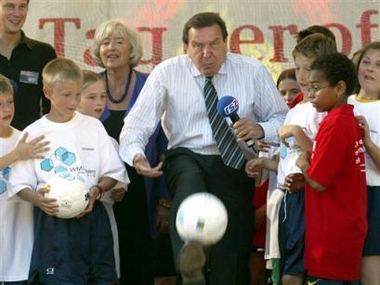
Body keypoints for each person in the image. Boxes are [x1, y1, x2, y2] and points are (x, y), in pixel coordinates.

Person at [119, 12, 288, 285]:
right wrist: (136, 155)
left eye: (214, 44)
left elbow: (283, 120)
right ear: (186, 47)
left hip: (235, 162)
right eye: (198, 46)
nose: (207, 53)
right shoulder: (167, 72)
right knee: (190, 186)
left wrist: (260, 129)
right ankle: (191, 259)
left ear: (226, 43)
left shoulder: (252, 71)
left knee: (231, 253)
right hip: (185, 155)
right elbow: (135, 126)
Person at [8, 58, 129, 285]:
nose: (74, 101)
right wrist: (38, 199)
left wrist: (97, 190)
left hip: (94, 219)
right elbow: (19, 184)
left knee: (102, 279)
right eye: (66, 95)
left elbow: (114, 173)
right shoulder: (34, 132)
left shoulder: (93, 127)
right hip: (54, 225)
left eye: (77, 94)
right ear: (48, 92)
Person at [246, 33, 337, 285]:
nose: (303, 76)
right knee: (285, 268)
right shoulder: (295, 110)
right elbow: (289, 161)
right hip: (288, 200)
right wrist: (266, 164)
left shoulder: (324, 111)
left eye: (309, 68)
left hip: (309, 199)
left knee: (296, 272)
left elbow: (322, 159)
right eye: (298, 68)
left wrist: (298, 134)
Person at [91, 19, 175, 285]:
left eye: (118, 42)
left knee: (141, 265)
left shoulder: (150, 84)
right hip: (101, 194)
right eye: (105, 43)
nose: (111, 48)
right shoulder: (87, 86)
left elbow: (165, 146)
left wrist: (164, 199)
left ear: (132, 50)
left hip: (144, 191)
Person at [287, 52, 367, 285]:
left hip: (331, 234)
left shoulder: (333, 124)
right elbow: (335, 174)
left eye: (316, 87)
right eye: (309, 88)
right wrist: (306, 178)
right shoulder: (347, 119)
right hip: (345, 227)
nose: (309, 94)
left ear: (340, 87)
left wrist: (302, 164)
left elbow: (319, 183)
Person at [77, 69, 130, 282]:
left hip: (102, 220)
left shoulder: (110, 141)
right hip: (66, 222)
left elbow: (120, 187)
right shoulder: (57, 136)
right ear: (74, 98)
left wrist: (117, 191)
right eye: (91, 97)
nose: (99, 103)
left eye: (102, 97)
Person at [0, 74, 50, 285]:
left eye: (9, 102)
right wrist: (15, 155)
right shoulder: (21, 148)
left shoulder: (24, 137)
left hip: (20, 241)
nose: (6, 109)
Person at [347, 41, 380, 285]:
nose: (369, 69)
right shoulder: (342, 101)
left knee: (369, 268)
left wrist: (367, 141)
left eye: (379, 65)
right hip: (343, 196)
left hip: (374, 196)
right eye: (366, 62)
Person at [0, 0, 56, 130]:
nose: (17, 13)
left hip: (32, 144)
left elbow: (52, 108)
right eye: (10, 6)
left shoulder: (43, 53)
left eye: (22, 7)